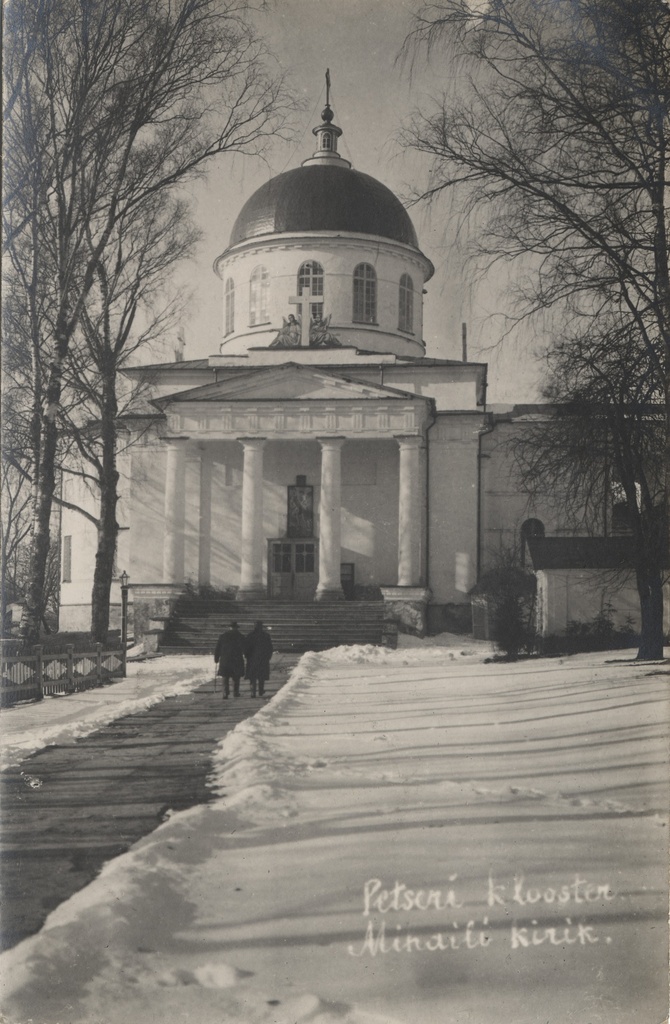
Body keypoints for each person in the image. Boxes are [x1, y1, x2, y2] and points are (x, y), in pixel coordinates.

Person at [214, 621, 245, 698]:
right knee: (236, 676)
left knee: (225, 676)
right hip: (236, 659)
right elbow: (245, 648)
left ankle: (225, 693)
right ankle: (235, 692)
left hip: (225, 659)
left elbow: (218, 648)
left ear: (229, 627)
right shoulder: (241, 636)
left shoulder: (223, 636)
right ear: (236, 628)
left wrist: (216, 658)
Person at [244, 621, 273, 698]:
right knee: (261, 676)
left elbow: (246, 648)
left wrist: (247, 656)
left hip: (252, 659)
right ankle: (261, 690)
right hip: (262, 659)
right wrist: (268, 657)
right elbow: (269, 648)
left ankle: (253, 692)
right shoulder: (266, 636)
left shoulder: (250, 635)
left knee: (252, 676)